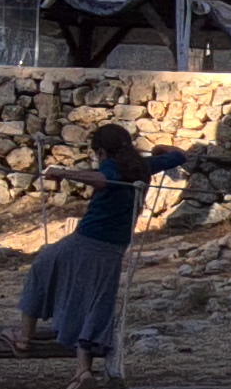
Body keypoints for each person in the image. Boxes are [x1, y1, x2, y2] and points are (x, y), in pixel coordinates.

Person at [12, 123, 186, 373]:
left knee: (41, 268)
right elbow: (180, 156)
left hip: (87, 240)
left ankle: (23, 337)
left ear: (102, 152)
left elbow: (103, 180)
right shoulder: (143, 166)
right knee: (95, 299)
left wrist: (64, 173)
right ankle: (83, 371)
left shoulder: (112, 166)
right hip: (115, 247)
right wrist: (161, 149)